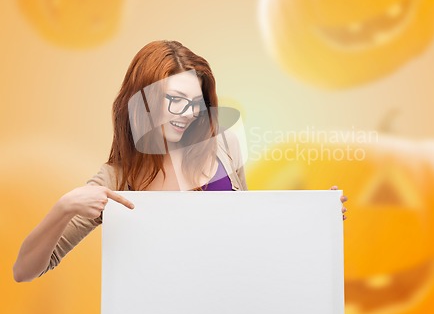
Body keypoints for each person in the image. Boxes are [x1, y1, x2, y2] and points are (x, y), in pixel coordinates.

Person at [13, 40, 348, 283]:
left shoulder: (223, 146)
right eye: (174, 100)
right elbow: (25, 271)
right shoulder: (116, 179)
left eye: (195, 103)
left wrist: (315, 217)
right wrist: (66, 206)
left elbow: (250, 233)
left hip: (236, 311)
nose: (187, 114)